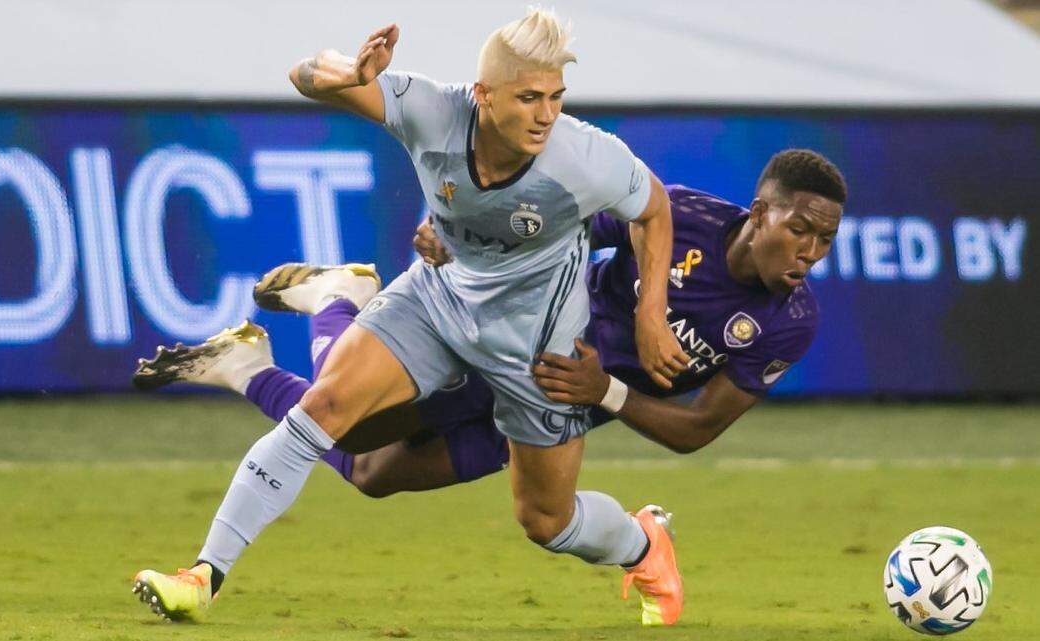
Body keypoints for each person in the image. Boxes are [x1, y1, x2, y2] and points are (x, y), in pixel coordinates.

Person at [131, 8, 690, 626]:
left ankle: (643, 544)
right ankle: (202, 575)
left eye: (555, 96)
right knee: (323, 409)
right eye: (529, 97)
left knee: (547, 521)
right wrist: (348, 73)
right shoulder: (432, 108)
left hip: (537, 352)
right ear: (483, 96)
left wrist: (651, 314)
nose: (546, 114)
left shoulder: (586, 157)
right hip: (439, 301)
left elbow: (655, 209)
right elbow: (302, 75)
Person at [133, 149, 848, 625]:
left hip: (565, 399)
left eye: (826, 240)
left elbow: (696, 430)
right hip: (506, 338)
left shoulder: (790, 322)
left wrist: (605, 391)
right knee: (347, 430)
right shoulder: (680, 216)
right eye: (800, 230)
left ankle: (260, 362)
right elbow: (554, 223)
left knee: (433, 490)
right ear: (760, 212)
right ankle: (328, 309)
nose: (811, 253)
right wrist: (468, 239)